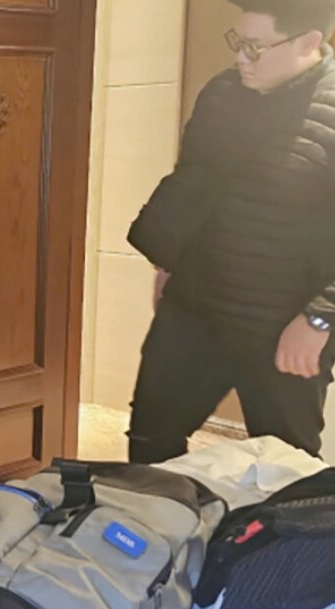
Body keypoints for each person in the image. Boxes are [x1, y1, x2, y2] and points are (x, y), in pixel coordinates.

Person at [126, 0, 335, 463]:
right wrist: (168, 257)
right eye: (238, 42)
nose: (242, 57)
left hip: (284, 321)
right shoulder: (222, 92)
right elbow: (193, 180)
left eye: (256, 47)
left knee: (283, 467)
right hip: (195, 305)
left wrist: (321, 319)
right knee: (150, 439)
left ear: (309, 42)